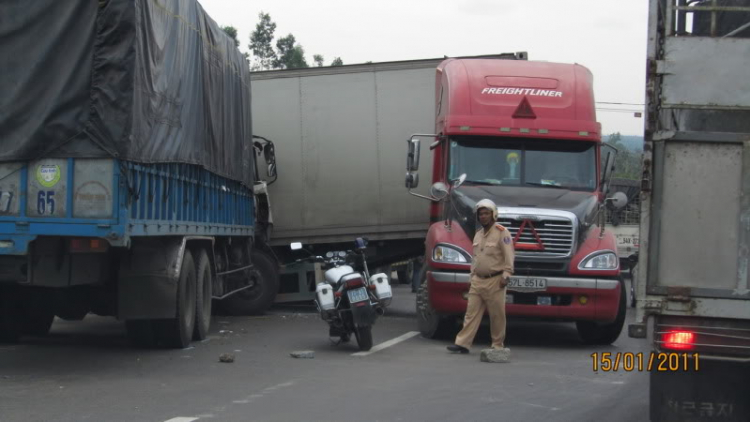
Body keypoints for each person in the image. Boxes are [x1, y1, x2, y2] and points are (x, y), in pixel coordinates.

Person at [447, 199, 515, 354]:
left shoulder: (502, 232)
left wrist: (507, 274)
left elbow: (509, 255)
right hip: (478, 280)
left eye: (486, 213)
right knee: (471, 313)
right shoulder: (478, 235)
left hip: (495, 280)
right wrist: (471, 278)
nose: (483, 217)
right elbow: (475, 258)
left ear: (493, 215)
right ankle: (463, 343)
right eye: (481, 214)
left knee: (497, 315)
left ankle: (497, 345)